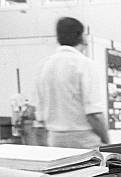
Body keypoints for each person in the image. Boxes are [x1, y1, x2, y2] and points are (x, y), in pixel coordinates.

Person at [35, 17, 109, 149]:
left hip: (55, 140)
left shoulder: (44, 66)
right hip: (84, 140)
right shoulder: (84, 64)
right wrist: (107, 141)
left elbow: (40, 116)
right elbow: (94, 114)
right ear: (81, 36)